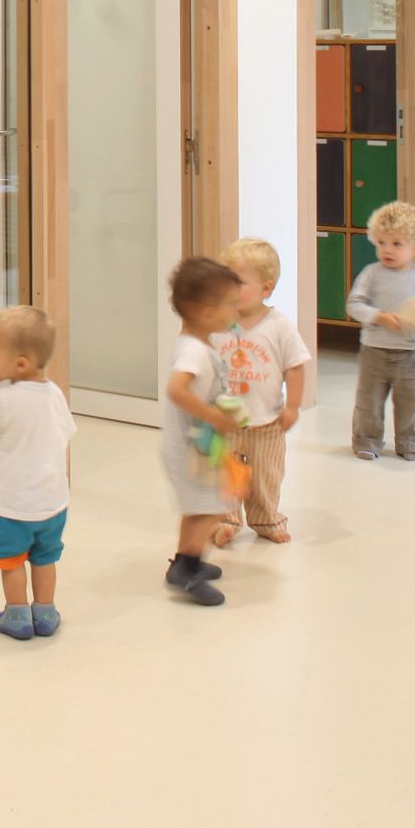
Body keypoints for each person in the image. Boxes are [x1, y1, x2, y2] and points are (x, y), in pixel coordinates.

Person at [0, 305, 75, 640]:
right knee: (44, 558)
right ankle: (45, 611)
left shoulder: (6, 400)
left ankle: (17, 615)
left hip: (13, 504)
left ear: (20, 364)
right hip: (53, 501)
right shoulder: (55, 393)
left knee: (12, 560)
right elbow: (66, 433)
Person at [211, 238, 311, 544]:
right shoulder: (218, 321)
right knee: (225, 474)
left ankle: (265, 519)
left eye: (238, 282)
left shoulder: (278, 327)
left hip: (266, 422)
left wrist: (292, 406)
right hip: (224, 421)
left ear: (265, 289)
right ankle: (226, 520)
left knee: (266, 476)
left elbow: (294, 367)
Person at [163, 257, 242, 606]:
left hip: (197, 446)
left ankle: (183, 561)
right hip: (191, 449)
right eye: (230, 304)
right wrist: (213, 416)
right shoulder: (194, 351)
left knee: (198, 507)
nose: (235, 312)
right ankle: (188, 570)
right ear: (205, 311)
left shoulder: (198, 343)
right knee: (206, 509)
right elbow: (176, 390)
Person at [347, 201, 415, 461]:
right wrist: (379, 317)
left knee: (414, 400)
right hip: (374, 352)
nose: (387, 250)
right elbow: (354, 304)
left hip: (411, 354)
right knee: (369, 401)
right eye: (382, 243)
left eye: (397, 244)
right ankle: (367, 439)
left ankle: (410, 439)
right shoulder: (372, 274)